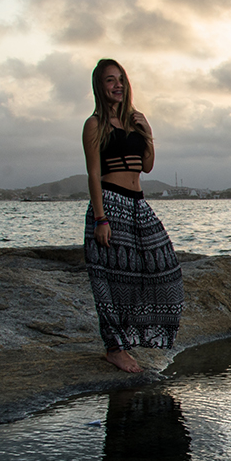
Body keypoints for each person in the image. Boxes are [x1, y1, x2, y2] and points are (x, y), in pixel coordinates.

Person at [83, 59, 183, 373]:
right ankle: (115, 348)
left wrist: (148, 132)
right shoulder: (95, 124)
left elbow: (148, 166)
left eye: (121, 80)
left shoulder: (135, 121)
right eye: (110, 80)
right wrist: (101, 219)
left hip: (139, 204)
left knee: (165, 267)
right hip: (111, 204)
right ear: (100, 86)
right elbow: (94, 174)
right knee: (112, 282)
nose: (117, 86)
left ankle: (138, 337)